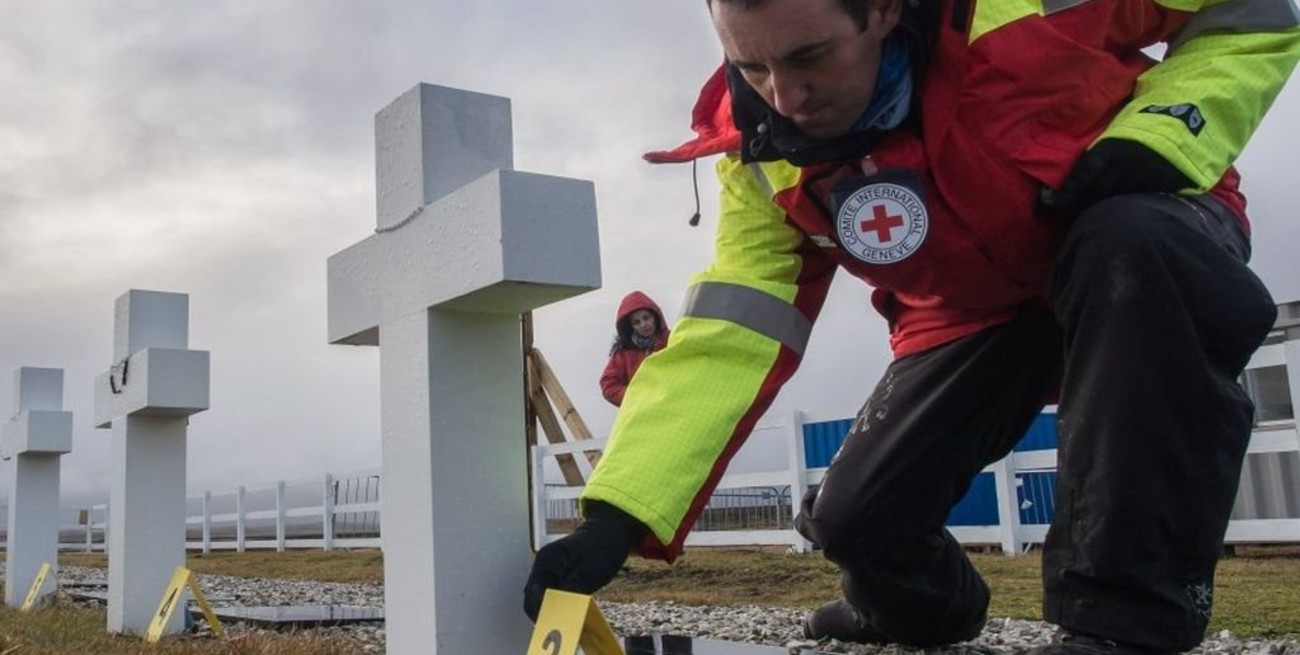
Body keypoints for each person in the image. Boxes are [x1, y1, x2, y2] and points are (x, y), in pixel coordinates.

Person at [525, 1, 1300, 654]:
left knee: (1134, 246)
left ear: (886, 10)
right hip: (961, 314)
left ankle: (1124, 624)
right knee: (855, 521)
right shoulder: (760, 154)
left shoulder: (1018, 11)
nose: (784, 97)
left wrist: (1166, 133)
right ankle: (917, 608)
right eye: (752, 66)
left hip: (1135, 236)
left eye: (810, 56)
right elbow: (736, 327)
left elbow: (1249, 10)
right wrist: (618, 515)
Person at [601, 291, 672, 407]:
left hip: (674, 407)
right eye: (636, 322)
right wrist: (637, 397)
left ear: (655, 316)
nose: (643, 324)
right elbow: (608, 385)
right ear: (631, 327)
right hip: (642, 415)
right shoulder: (623, 354)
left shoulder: (673, 341)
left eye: (646, 317)